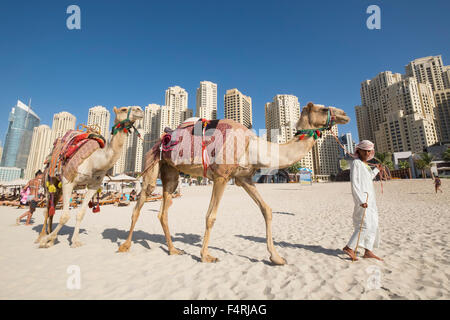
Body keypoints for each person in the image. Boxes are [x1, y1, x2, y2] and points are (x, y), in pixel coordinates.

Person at [343, 140, 383, 261]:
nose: (367, 153)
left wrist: (376, 170)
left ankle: (368, 250)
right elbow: (355, 183)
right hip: (363, 200)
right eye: (364, 150)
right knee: (364, 225)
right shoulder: (356, 163)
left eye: (369, 151)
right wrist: (360, 200)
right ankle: (349, 247)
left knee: (373, 224)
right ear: (358, 150)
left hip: (370, 200)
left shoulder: (365, 165)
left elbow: (367, 179)